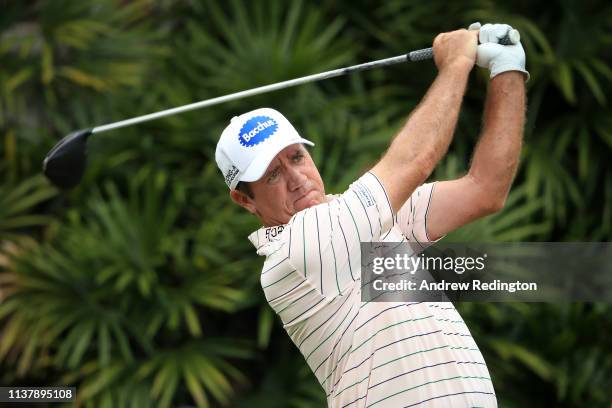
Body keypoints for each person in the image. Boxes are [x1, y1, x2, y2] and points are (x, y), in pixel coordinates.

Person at [215, 23, 527, 408]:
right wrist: (456, 64)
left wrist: (508, 71)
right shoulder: (293, 252)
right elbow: (416, 159)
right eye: (273, 174)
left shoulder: (365, 217)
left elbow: (485, 190)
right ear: (245, 200)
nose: (297, 179)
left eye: (297, 157)